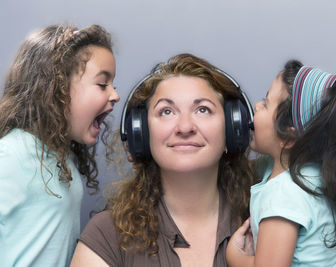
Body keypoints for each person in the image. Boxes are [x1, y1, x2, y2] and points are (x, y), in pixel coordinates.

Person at [70, 53, 255, 266]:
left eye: (202, 110)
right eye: (167, 112)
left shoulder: (268, 223)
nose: (185, 127)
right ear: (141, 134)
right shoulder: (107, 235)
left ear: (233, 130)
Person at [226, 60, 336, 266]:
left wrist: (234, 257)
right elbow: (250, 167)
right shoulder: (313, 173)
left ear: (289, 138)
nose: (257, 106)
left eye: (266, 103)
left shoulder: (283, 194)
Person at [0, 24, 120, 267]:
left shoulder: (64, 159)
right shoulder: (12, 155)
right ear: (57, 89)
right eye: (102, 84)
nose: (115, 95)